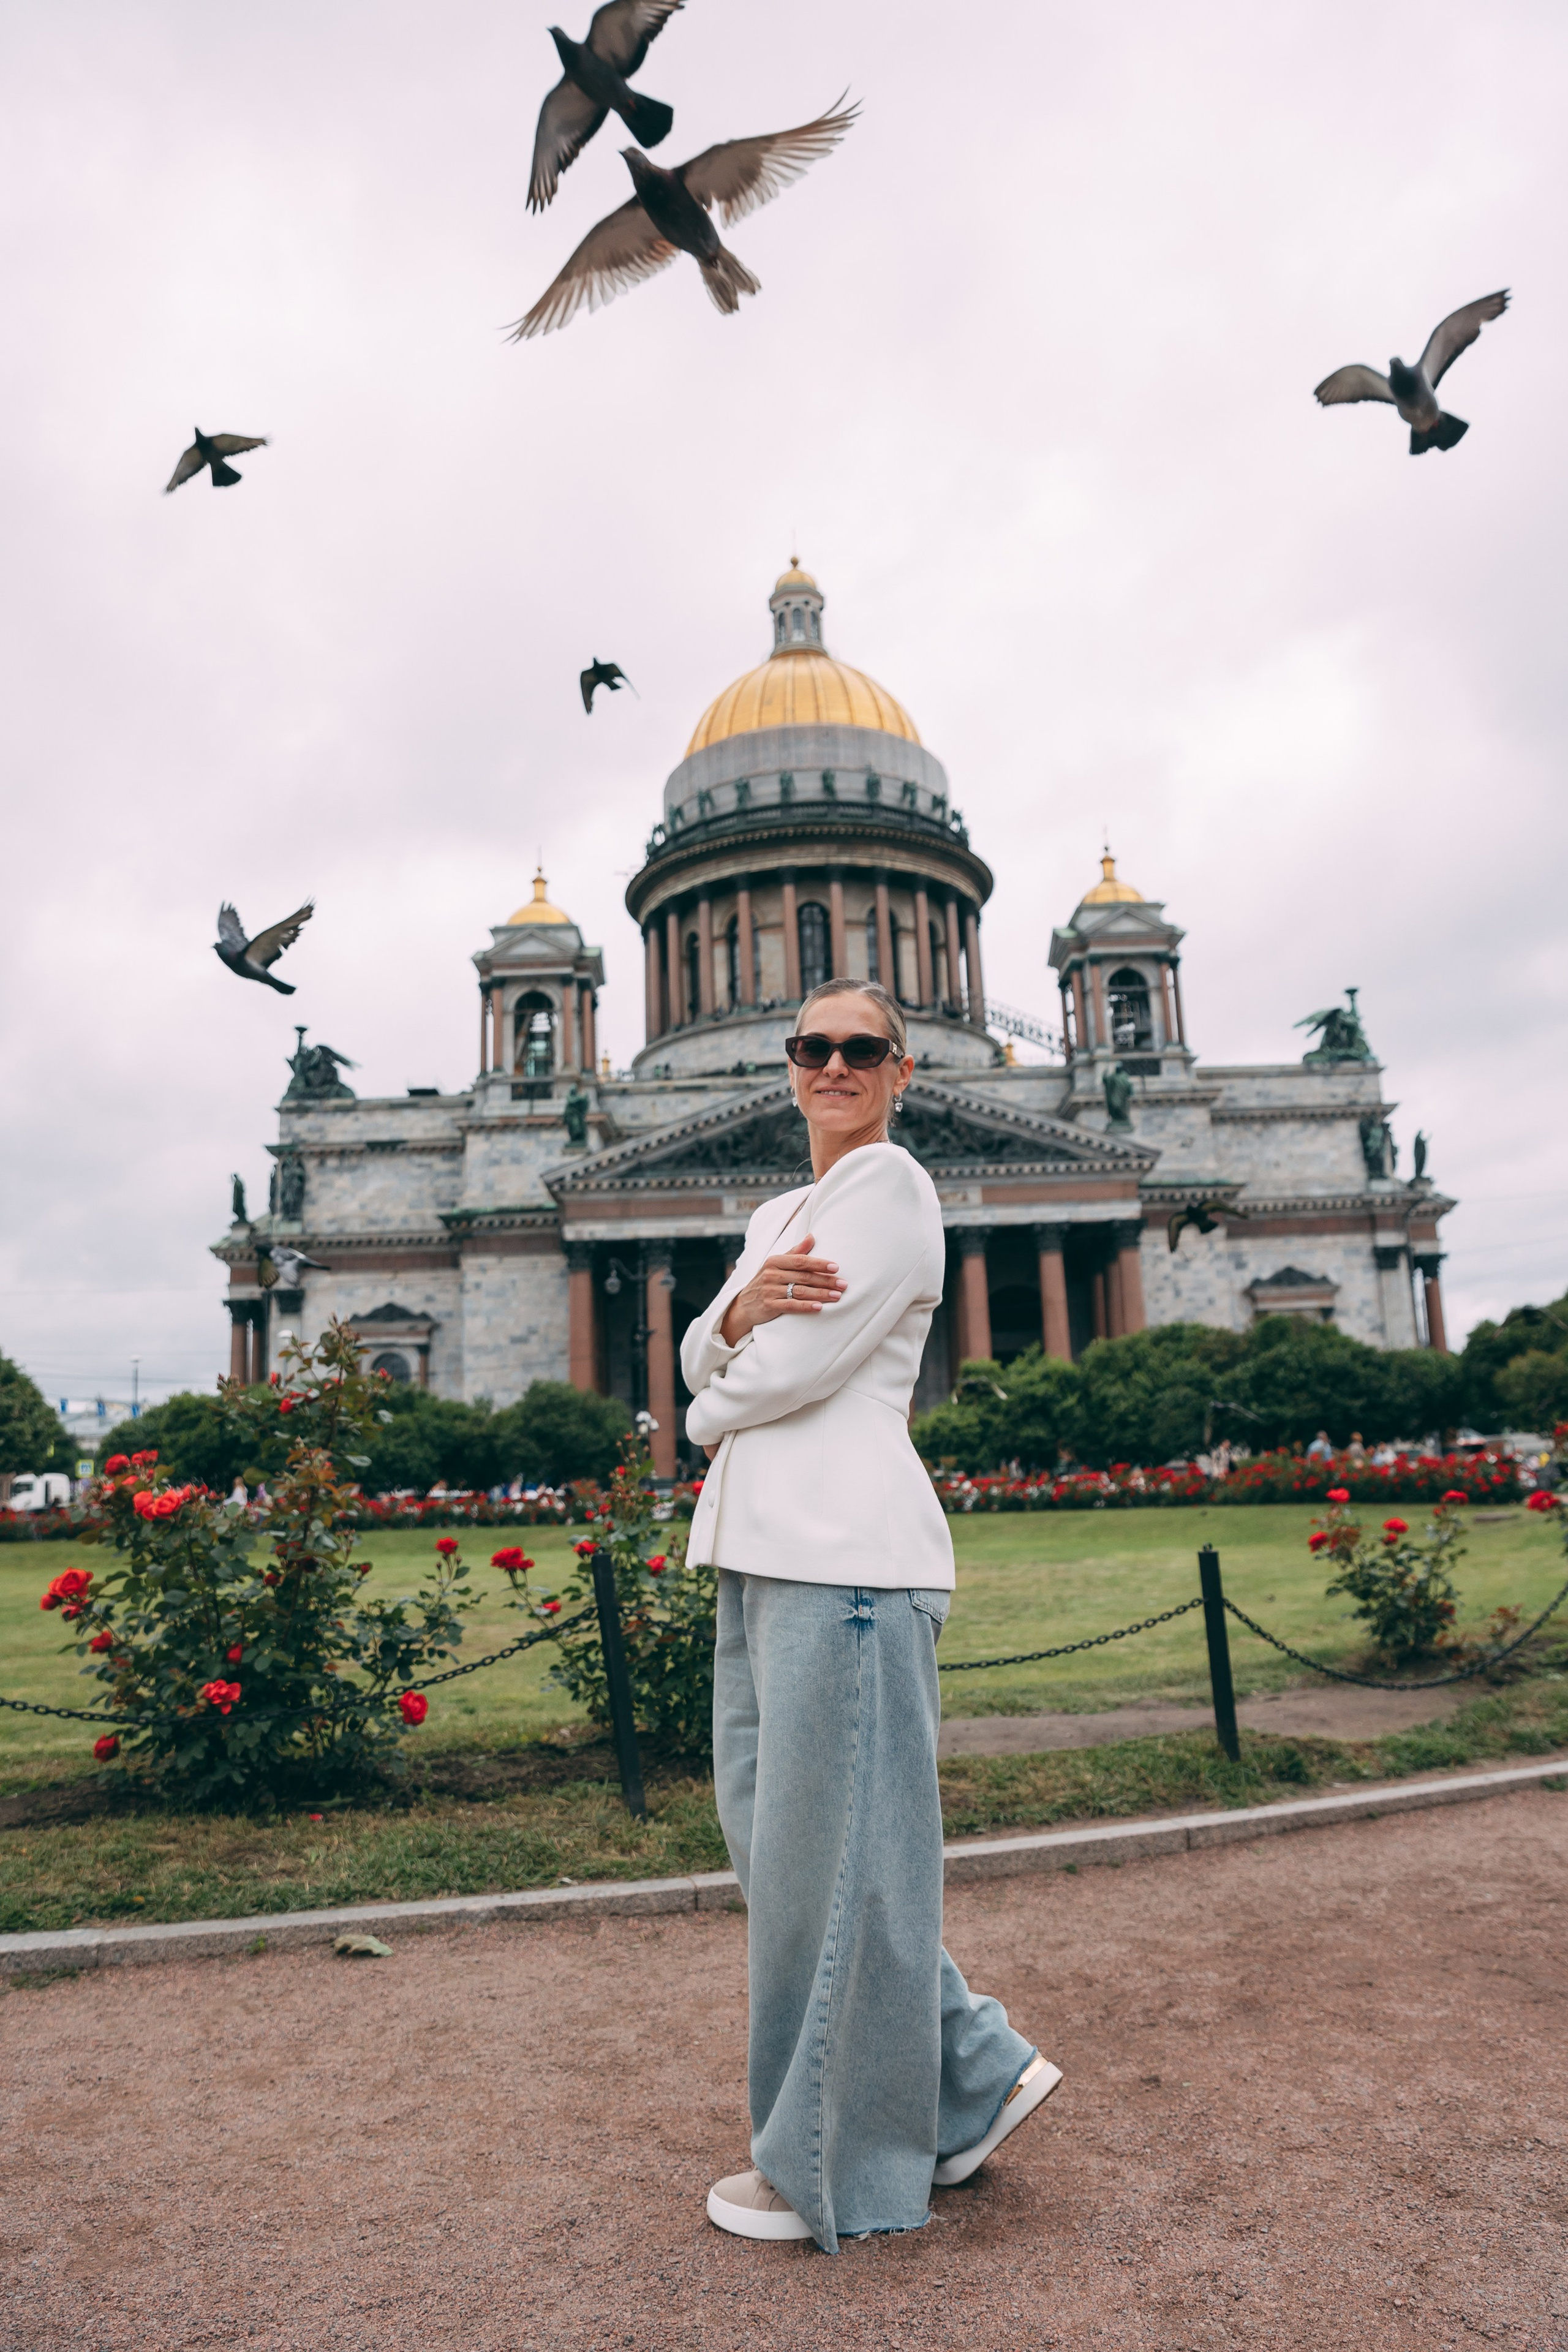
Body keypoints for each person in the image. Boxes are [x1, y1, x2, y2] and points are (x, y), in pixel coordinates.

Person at [680, 978, 1059, 2255]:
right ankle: (966, 2074)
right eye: (811, 1047)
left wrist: (709, 1389)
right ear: (786, 1066)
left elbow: (782, 1369)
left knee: (830, 1860)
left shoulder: (890, 1187)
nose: (832, 1065)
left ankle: (834, 2167)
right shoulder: (781, 1208)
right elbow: (711, 1340)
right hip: (762, 1555)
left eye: (860, 1049)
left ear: (903, 1069)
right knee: (785, 1853)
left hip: (846, 1563)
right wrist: (729, 1324)